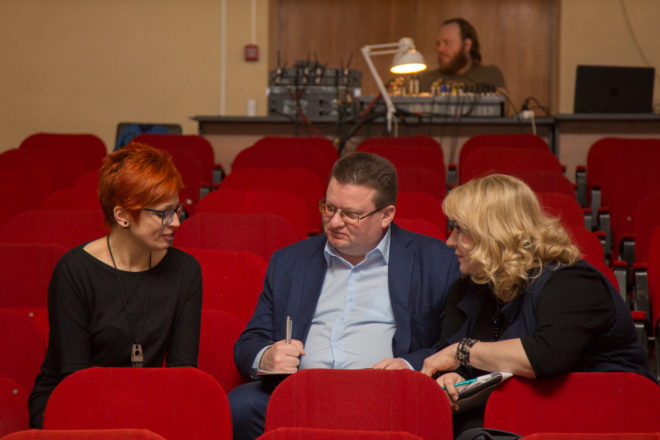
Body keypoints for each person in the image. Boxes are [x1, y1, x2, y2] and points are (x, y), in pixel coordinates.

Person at [229, 151, 461, 440]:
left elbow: (455, 346)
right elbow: (249, 342)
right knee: (239, 405)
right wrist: (266, 357)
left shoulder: (437, 262)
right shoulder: (290, 261)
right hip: (302, 393)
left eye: (351, 214)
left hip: (385, 396)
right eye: (329, 208)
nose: (335, 222)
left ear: (386, 215)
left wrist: (408, 364)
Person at [420, 174, 656, 434]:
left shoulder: (572, 282)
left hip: (603, 418)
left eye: (460, 230)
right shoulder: (474, 286)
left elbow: (545, 356)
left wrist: (462, 352)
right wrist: (457, 379)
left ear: (493, 233)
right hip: (522, 417)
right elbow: (464, 363)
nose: (450, 241)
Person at [28, 142, 203, 428]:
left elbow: (181, 373)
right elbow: (75, 377)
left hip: (143, 399)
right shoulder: (75, 271)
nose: (176, 223)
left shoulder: (186, 271)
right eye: (163, 213)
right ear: (122, 216)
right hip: (72, 399)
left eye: (177, 210)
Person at [418, 18, 506, 94]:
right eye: (438, 44)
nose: (440, 49)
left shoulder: (490, 75)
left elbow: (503, 106)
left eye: (446, 43)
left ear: (467, 45)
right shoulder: (426, 81)